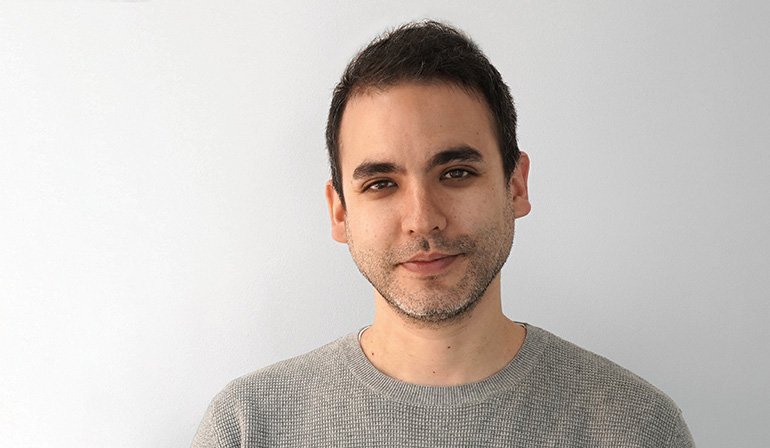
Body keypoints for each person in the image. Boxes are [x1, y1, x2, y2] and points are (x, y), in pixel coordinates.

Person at [192, 21, 694, 447]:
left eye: (455, 173)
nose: (422, 218)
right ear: (340, 212)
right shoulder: (250, 427)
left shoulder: (635, 427)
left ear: (514, 186)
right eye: (382, 183)